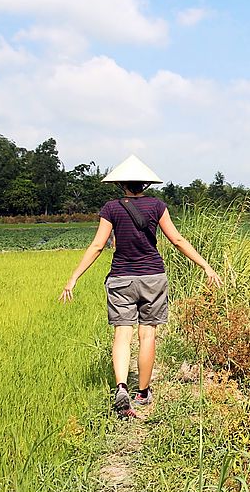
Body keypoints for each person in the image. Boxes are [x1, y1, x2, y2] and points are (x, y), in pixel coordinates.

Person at [59, 154, 222, 418]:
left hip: (121, 278)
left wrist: (74, 277)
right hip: (153, 278)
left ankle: (121, 386)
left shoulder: (111, 208)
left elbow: (98, 245)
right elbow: (177, 240)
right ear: (145, 184)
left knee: (122, 334)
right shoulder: (157, 206)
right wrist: (205, 265)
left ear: (121, 183)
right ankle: (143, 392)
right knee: (148, 335)